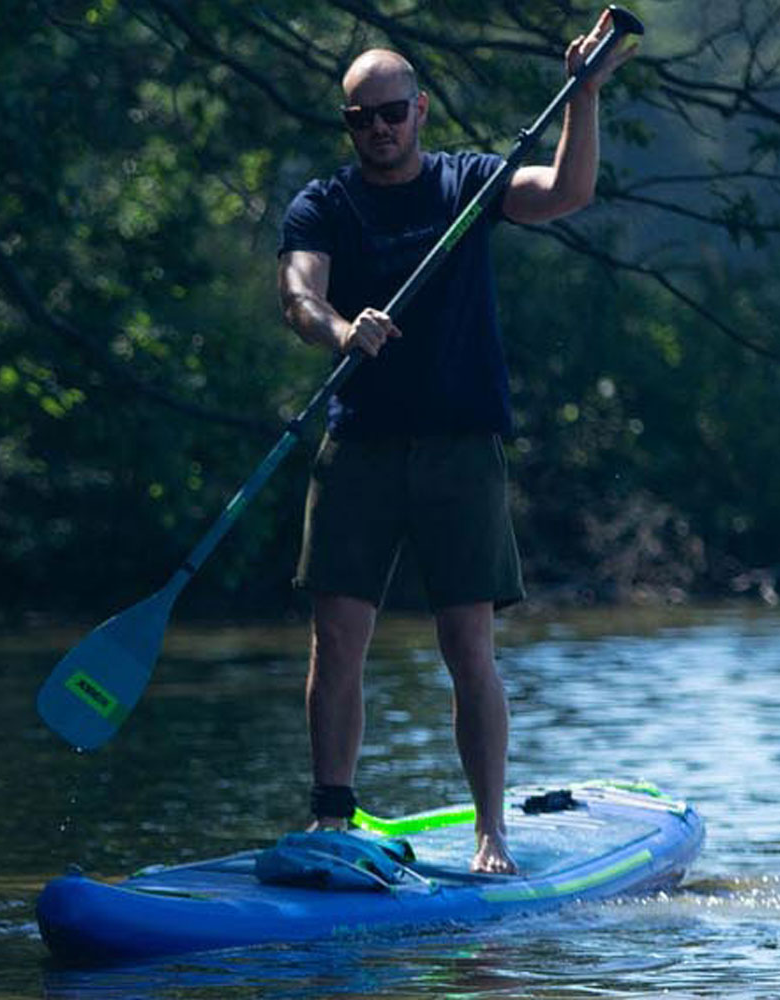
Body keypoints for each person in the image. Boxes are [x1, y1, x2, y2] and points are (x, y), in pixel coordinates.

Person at [277, 10, 636, 874]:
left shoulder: (468, 185)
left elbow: (567, 193)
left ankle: (490, 833)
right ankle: (334, 813)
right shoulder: (323, 203)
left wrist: (583, 95)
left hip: (459, 448)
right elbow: (297, 294)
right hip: (359, 445)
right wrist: (337, 330)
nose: (378, 130)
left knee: (468, 646)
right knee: (337, 639)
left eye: (391, 112)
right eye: (360, 119)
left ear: (421, 110)